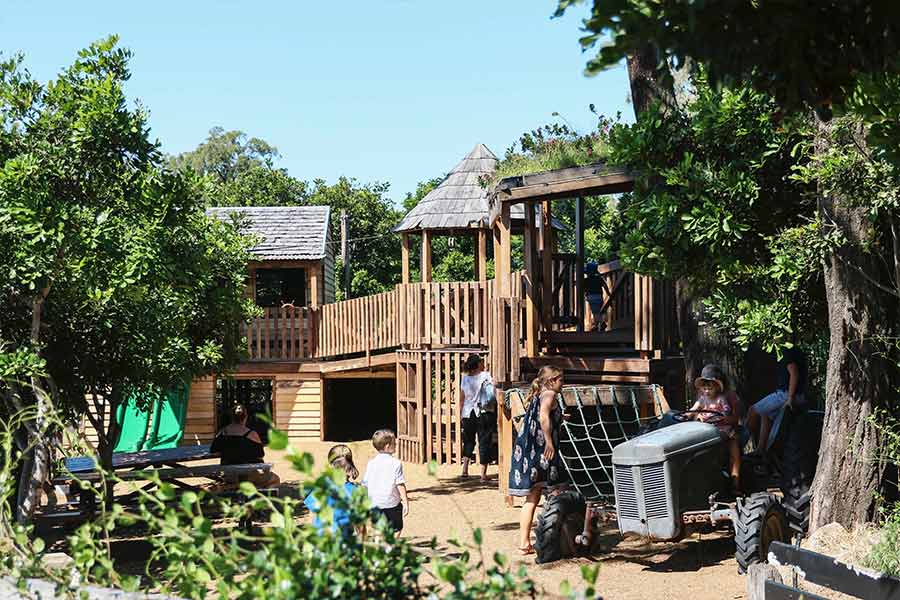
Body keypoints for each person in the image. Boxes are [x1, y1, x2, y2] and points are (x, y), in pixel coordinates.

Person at [509, 366, 565, 555]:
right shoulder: (549, 394)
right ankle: (557, 536)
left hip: (528, 449)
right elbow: (542, 416)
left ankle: (524, 542)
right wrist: (549, 442)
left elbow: (543, 414)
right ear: (552, 381)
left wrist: (560, 416)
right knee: (559, 489)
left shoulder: (539, 393)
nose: (563, 384)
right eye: (561, 380)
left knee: (532, 496)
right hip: (541, 450)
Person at [689, 364, 742, 492]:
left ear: (718, 386)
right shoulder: (702, 398)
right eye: (704, 387)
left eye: (710, 387)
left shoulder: (724, 397)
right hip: (705, 428)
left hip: (723, 428)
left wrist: (720, 416)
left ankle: (735, 481)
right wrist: (688, 415)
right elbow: (693, 410)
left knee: (734, 452)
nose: (707, 390)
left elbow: (729, 414)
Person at [748, 347, 808, 453]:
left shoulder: (786, 350)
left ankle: (742, 445)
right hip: (798, 395)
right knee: (766, 415)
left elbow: (794, 373)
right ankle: (760, 450)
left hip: (785, 394)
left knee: (753, 411)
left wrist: (790, 398)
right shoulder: (795, 350)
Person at [210, 404, 280, 488]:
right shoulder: (252, 434)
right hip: (249, 475)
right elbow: (260, 454)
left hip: (229, 475)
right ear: (246, 417)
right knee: (275, 479)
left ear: (231, 417)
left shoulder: (222, 433)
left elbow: (213, 451)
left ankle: (238, 488)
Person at [303, 451, 361, 537]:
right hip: (342, 538)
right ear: (349, 471)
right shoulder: (354, 491)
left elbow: (312, 514)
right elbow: (358, 522)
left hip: (322, 537)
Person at [362, 429, 409, 533]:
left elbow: (365, 484)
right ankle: (390, 547)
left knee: (377, 529)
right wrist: (405, 502)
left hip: (374, 504)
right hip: (392, 504)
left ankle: (380, 546)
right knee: (397, 529)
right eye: (394, 443)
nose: (396, 444)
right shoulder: (396, 463)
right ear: (387, 446)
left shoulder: (371, 463)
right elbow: (400, 484)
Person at [459, 354, 497, 481]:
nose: (483, 363)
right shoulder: (485, 375)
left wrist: (460, 413)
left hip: (468, 413)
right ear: (478, 364)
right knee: (484, 441)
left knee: (468, 441)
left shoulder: (464, 379)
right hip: (484, 412)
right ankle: (483, 474)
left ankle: (465, 469)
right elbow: (493, 391)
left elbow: (462, 398)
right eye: (481, 361)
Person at [584, 262, 606, 332]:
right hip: (599, 296)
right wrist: (608, 294)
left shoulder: (586, 281)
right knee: (599, 311)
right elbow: (605, 286)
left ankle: (602, 323)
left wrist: (585, 294)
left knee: (595, 312)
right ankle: (596, 326)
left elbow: (583, 289)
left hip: (591, 297)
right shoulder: (599, 279)